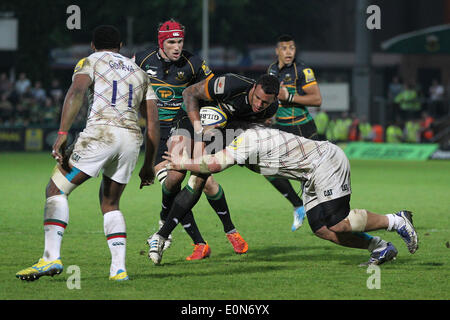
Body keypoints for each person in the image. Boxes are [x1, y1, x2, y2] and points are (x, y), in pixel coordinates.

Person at [16, 25, 160, 281]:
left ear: (93, 45)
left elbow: (77, 91)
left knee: (56, 189)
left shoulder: (90, 60)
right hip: (130, 139)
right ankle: (118, 270)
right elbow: (152, 125)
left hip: (101, 133)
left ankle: (50, 258)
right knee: (111, 203)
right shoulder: (140, 73)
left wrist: (62, 134)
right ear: (121, 46)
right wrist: (148, 165)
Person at [163, 122, 419, 266]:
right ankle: (381, 247)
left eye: (211, 131)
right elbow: (212, 160)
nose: (208, 135)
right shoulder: (241, 140)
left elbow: (215, 165)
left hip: (325, 161)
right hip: (309, 174)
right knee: (322, 229)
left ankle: (397, 220)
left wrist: (181, 164)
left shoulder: (247, 139)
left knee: (337, 221)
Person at [134, 19, 247, 260]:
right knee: (173, 181)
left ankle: (230, 230)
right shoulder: (142, 60)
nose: (177, 47)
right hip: (156, 132)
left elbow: (213, 91)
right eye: (171, 42)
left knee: (206, 181)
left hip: (185, 129)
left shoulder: (194, 63)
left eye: (180, 41)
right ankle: (198, 242)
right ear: (161, 43)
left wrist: (215, 120)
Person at [141, 74, 281, 264]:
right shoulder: (230, 84)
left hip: (220, 130)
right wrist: (200, 129)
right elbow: (189, 93)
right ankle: (165, 219)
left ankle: (161, 235)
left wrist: (225, 131)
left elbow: (247, 124)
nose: (259, 104)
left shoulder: (271, 108)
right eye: (257, 98)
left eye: (265, 102)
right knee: (174, 175)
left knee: (201, 178)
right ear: (254, 87)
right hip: (192, 119)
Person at [267, 34, 323, 231]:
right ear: (277, 51)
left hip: (302, 127)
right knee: (267, 168)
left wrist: (289, 96)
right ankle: (297, 205)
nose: (288, 52)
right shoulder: (272, 70)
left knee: (313, 175)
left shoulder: (303, 71)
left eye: (291, 47)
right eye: (284, 48)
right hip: (281, 127)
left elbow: (316, 99)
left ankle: (326, 212)